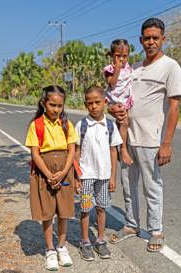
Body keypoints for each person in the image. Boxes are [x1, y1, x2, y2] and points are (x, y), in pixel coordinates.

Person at [108, 18, 181, 252]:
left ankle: (156, 231)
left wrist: (167, 143)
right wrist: (113, 109)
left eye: (155, 37)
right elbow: (119, 94)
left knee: (152, 186)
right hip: (126, 138)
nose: (150, 42)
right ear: (141, 40)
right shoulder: (135, 68)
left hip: (150, 139)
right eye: (146, 38)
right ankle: (131, 224)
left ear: (163, 39)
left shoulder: (171, 66)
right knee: (128, 185)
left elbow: (174, 106)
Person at [25, 85, 78, 270]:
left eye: (60, 106)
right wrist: (48, 175)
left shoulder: (67, 125)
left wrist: (64, 172)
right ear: (43, 103)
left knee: (64, 211)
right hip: (43, 171)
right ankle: (50, 250)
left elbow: (72, 150)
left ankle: (62, 247)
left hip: (64, 169)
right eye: (52, 105)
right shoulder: (36, 125)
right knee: (47, 212)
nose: (56, 109)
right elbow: (35, 153)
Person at [75, 86, 122, 261]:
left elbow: (113, 151)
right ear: (85, 105)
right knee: (86, 209)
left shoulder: (109, 125)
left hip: (103, 177)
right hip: (86, 176)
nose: (94, 106)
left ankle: (100, 240)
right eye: (89, 103)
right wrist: (76, 177)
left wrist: (112, 177)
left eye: (97, 102)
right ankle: (85, 241)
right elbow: (76, 151)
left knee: (102, 208)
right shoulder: (82, 125)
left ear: (105, 102)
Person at [103, 39, 134, 166]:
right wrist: (117, 69)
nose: (121, 59)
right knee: (124, 122)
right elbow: (112, 83)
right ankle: (123, 149)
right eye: (118, 56)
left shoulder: (129, 68)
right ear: (112, 55)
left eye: (125, 56)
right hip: (115, 100)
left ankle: (116, 145)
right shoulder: (109, 69)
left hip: (125, 99)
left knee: (121, 124)